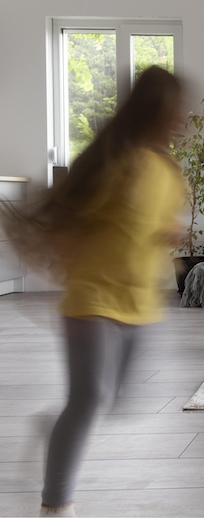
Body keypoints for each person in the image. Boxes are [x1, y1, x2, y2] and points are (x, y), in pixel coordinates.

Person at [0, 66, 187, 517]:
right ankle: (55, 504)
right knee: (89, 400)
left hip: (142, 307)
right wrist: (54, 256)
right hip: (92, 303)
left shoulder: (168, 171)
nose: (181, 121)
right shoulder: (113, 163)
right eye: (174, 113)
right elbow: (62, 218)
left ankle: (55, 429)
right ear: (152, 113)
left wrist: (167, 235)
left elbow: (150, 224)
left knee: (118, 402)